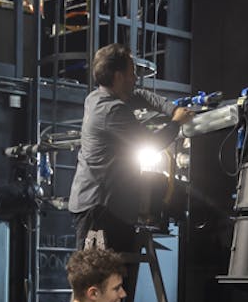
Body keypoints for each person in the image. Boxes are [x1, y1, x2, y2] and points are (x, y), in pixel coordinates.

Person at [68, 42, 189, 253]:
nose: (135, 79)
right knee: (97, 270)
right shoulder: (111, 110)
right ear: (118, 77)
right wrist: (176, 122)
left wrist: (172, 109)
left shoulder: (97, 97)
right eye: (132, 73)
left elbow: (141, 95)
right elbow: (151, 142)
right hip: (99, 211)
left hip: (108, 209)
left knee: (116, 271)